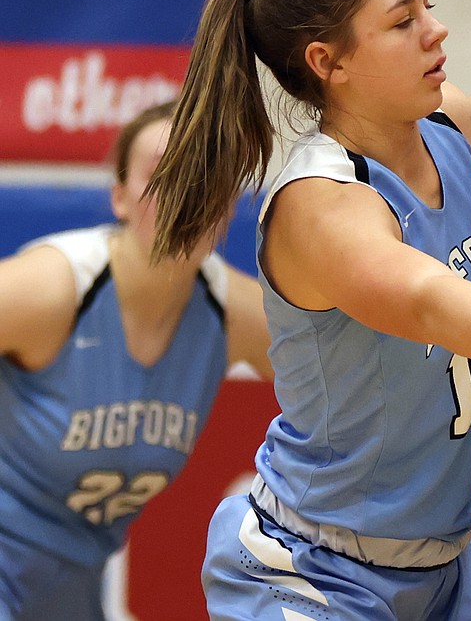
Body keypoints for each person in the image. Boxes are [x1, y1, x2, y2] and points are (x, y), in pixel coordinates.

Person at [145, 0, 471, 621]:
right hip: (312, 572)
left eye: (428, 3)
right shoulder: (321, 202)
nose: (437, 30)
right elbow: (422, 297)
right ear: (328, 62)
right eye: (404, 22)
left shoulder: (446, 129)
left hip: (439, 569)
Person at [0, 100, 272, 620]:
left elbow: (361, 394)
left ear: (226, 208)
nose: (185, 194)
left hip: (70, 585)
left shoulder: (235, 312)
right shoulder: (55, 288)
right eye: (162, 174)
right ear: (119, 198)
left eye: (203, 176)